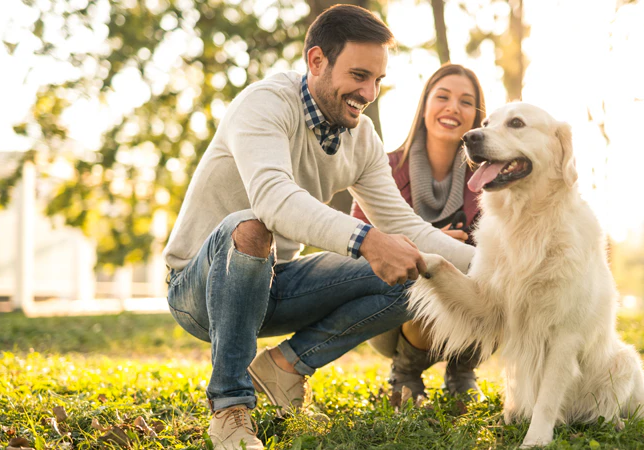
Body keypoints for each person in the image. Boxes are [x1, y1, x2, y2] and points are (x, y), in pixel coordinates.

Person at [162, 5, 475, 449]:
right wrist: (366, 241)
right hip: (200, 287)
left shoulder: (363, 138)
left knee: (417, 267)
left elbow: (406, 226)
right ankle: (230, 410)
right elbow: (273, 199)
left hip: (276, 283)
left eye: (377, 81)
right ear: (316, 61)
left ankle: (286, 366)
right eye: (359, 75)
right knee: (251, 225)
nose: (368, 92)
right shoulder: (265, 104)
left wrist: (496, 267)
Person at [351, 64, 486, 400]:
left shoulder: (489, 180)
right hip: (394, 313)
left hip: (469, 310)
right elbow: (356, 245)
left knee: (503, 279)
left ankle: (462, 370)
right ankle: (405, 372)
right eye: (443, 97)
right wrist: (432, 241)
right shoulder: (383, 167)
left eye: (466, 102)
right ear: (425, 105)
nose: (453, 107)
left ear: (476, 118)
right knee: (431, 276)